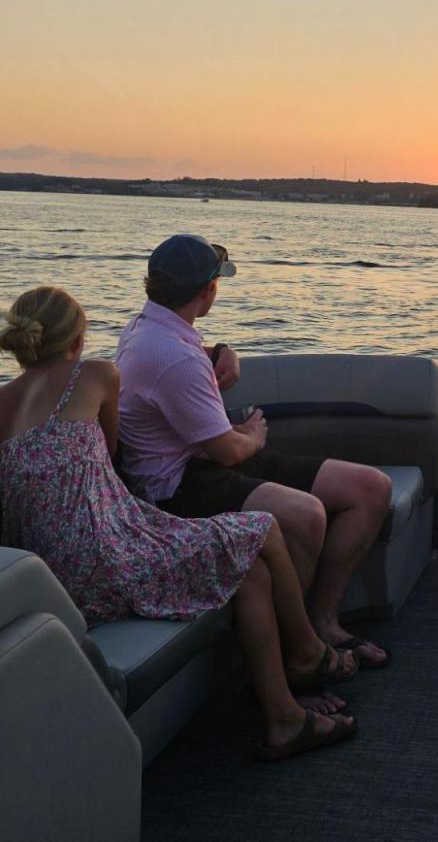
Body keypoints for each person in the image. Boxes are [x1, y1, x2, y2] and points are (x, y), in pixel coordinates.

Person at [0, 286, 359, 761]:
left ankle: (285, 721)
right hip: (109, 559)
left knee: (250, 572)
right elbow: (108, 453)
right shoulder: (95, 375)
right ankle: (308, 652)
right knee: (264, 529)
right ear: (78, 340)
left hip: (53, 574)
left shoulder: (3, 401)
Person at [115, 234, 394, 668]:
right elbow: (228, 452)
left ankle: (323, 621)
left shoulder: (148, 327)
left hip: (207, 461)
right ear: (208, 290)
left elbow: (188, 361)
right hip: (178, 486)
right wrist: (254, 437)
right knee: (306, 515)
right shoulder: (171, 355)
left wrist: (224, 351)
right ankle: (294, 655)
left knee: (370, 489)